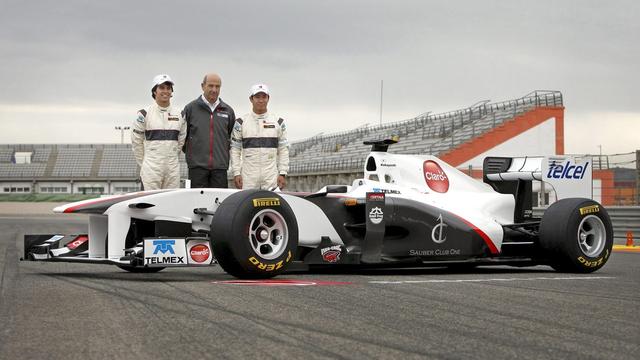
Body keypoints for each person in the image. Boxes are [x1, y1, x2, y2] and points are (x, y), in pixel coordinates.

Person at [131, 74, 186, 190]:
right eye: (161, 87)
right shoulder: (143, 114)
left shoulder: (180, 114)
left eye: (168, 88)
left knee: (170, 202)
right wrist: (146, 163)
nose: (165, 91)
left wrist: (171, 157)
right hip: (151, 169)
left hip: (172, 169)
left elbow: (181, 140)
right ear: (154, 91)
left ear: (172, 91)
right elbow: (136, 142)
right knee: (149, 204)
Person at [231, 83, 289, 190]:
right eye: (257, 97)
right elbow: (235, 149)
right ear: (251, 99)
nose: (261, 100)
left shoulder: (278, 122)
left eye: (264, 97)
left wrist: (282, 172)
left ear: (268, 98)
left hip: (271, 178)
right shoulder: (241, 122)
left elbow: (283, 149)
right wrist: (236, 173)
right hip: (248, 179)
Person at [182, 73, 236, 188]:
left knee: (220, 204)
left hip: (220, 169)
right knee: (197, 204)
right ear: (203, 86)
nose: (214, 89)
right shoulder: (190, 109)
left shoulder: (228, 111)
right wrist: (195, 157)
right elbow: (183, 138)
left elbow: (230, 138)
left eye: (217, 86)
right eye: (210, 86)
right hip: (197, 169)